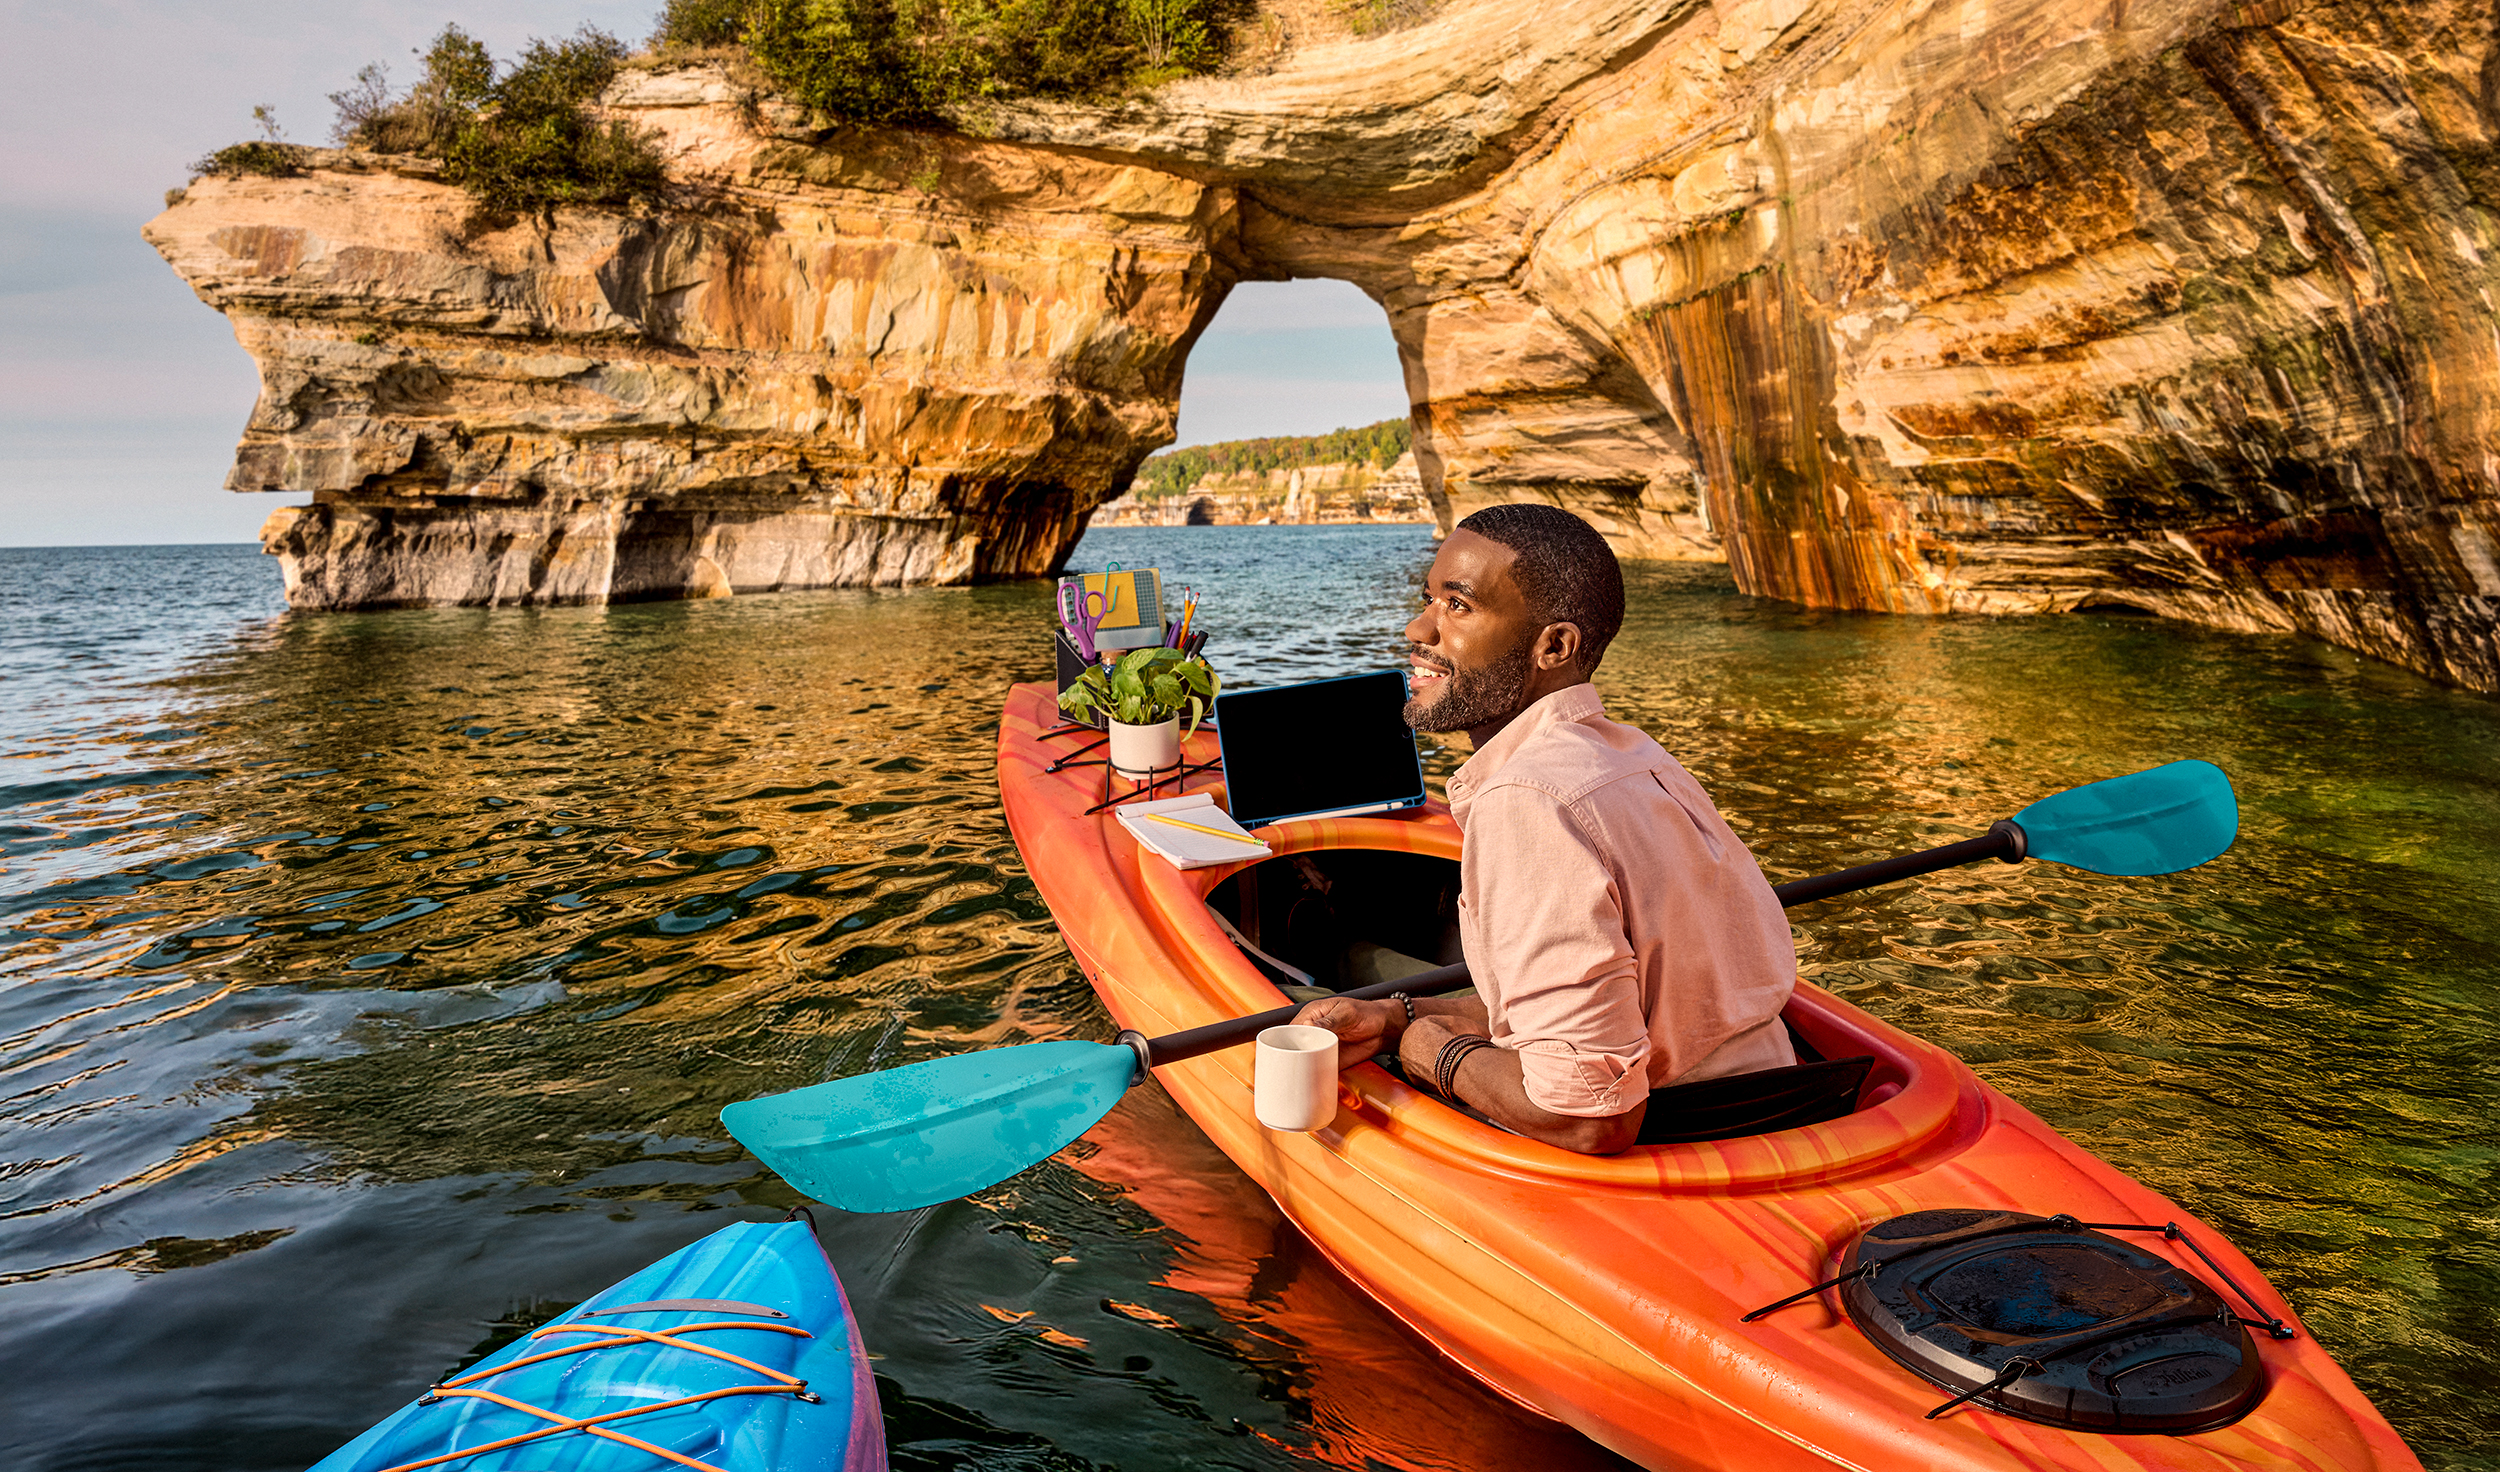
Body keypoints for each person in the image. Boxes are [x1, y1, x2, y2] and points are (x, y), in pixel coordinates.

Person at [1293, 504, 1797, 1154]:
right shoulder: (1635, 756)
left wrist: (1427, 1048)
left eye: (1459, 606)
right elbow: (1615, 1011)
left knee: (1294, 998)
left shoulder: (1526, 802)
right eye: (1428, 599)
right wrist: (1396, 1019)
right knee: (1371, 988)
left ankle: (1314, 934)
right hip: (1771, 1103)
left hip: (1666, 1150)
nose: (1419, 627)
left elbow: (1590, 1117)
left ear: (1553, 647)